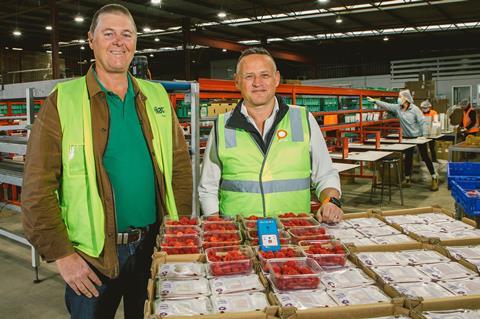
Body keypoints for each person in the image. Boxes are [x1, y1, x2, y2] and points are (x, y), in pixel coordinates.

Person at [21, 4, 192, 319]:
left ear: (136, 42)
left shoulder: (156, 98)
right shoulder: (63, 100)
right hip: (92, 258)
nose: (118, 41)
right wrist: (62, 254)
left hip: (153, 245)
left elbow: (179, 170)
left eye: (126, 34)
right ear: (91, 40)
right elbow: (36, 186)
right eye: (108, 33)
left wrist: (178, 233)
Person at [198, 47, 342, 223]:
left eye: (264, 75)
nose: (257, 83)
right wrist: (217, 227)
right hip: (239, 236)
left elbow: (325, 174)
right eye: (249, 76)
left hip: (294, 232)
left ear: (277, 79)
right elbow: (208, 187)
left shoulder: (303, 119)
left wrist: (331, 201)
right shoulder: (222, 126)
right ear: (236, 81)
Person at [367, 90, 439, 191]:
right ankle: (408, 179)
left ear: (406, 98)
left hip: (418, 137)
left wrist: (424, 136)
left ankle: (434, 178)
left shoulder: (415, 109)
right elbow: (387, 105)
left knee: (425, 157)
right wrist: (375, 101)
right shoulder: (398, 108)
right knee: (408, 158)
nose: (399, 98)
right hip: (407, 137)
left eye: (400, 97)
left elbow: (423, 122)